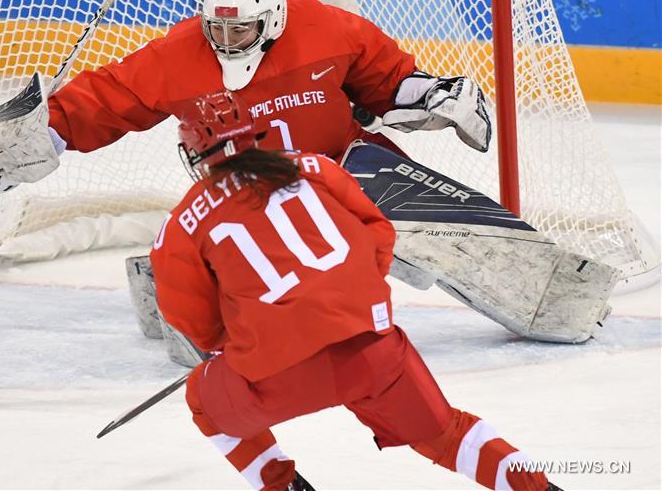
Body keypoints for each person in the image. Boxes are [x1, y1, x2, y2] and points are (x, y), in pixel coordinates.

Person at [148, 91, 554, 491]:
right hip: (371, 351)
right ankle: (538, 489)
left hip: (275, 371)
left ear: (193, 154)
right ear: (255, 134)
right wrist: (351, 299)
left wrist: (247, 337)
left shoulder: (181, 224)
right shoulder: (315, 167)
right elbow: (379, 232)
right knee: (445, 432)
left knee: (203, 398)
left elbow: (194, 324)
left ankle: (282, 486)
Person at [44, 0, 490, 166]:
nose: (226, 41)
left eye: (239, 31)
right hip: (244, 191)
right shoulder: (180, 52)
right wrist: (48, 130)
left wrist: (432, 94)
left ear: (271, 20)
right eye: (216, 30)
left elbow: (386, 79)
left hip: (347, 165)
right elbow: (113, 95)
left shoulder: (326, 28)